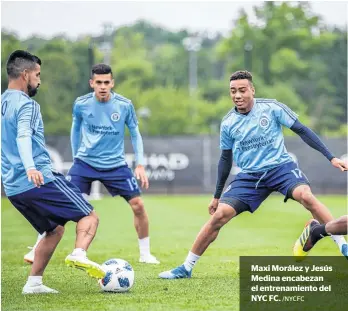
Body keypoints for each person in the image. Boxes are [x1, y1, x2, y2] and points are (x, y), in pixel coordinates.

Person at [158, 70, 348, 279]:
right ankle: (186, 267)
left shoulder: (272, 107)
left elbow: (302, 130)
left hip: (281, 168)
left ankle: (343, 248)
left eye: (242, 90)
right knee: (219, 216)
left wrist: (331, 157)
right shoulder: (228, 123)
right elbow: (225, 160)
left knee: (306, 196)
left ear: (252, 90)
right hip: (249, 176)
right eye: (233, 91)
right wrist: (217, 195)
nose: (237, 95)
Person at [24, 63, 159, 265]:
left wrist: (140, 164)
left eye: (106, 82)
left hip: (115, 165)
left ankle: (145, 254)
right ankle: (37, 247)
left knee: (138, 205)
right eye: (99, 82)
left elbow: (136, 134)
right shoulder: (81, 104)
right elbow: (75, 129)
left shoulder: (124, 105)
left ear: (112, 83)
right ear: (91, 83)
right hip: (85, 163)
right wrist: (77, 155)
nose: (103, 86)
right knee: (64, 204)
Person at [1, 50, 105, 294]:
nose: (39, 80)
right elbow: (23, 136)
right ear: (25, 75)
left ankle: (33, 284)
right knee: (89, 216)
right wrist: (30, 167)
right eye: (37, 75)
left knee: (54, 230)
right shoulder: (27, 105)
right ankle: (79, 253)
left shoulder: (2, 102)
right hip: (38, 179)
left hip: (13, 188)